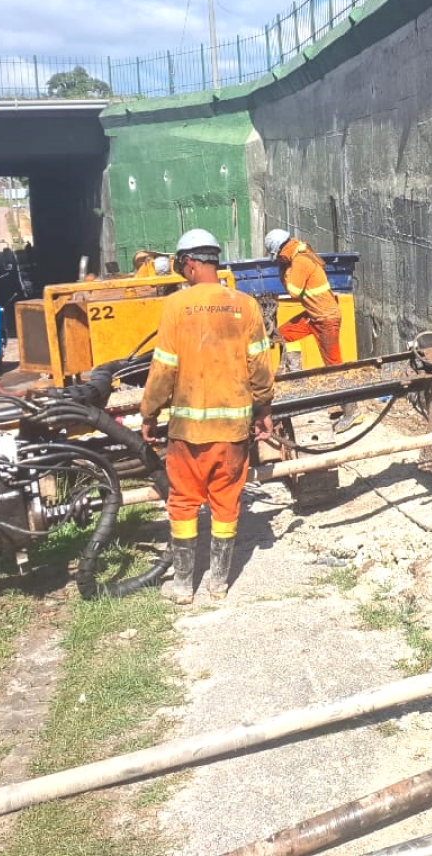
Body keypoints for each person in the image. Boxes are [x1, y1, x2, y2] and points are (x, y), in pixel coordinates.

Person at [141, 228, 275, 604]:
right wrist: (264, 409)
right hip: (232, 430)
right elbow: (260, 368)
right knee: (226, 501)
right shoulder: (245, 305)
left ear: (189, 264)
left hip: (187, 433)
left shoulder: (175, 306)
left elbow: (163, 369)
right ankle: (218, 585)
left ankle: (184, 586)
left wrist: (149, 414)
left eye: (182, 266)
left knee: (184, 502)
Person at [264, 228, 362, 434]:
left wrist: (283, 270)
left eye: (278, 257)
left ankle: (353, 412)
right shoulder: (298, 256)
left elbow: (293, 291)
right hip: (314, 316)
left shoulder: (300, 261)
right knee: (281, 334)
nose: (278, 261)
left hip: (326, 319)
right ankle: (291, 381)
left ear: (282, 249)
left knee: (334, 367)